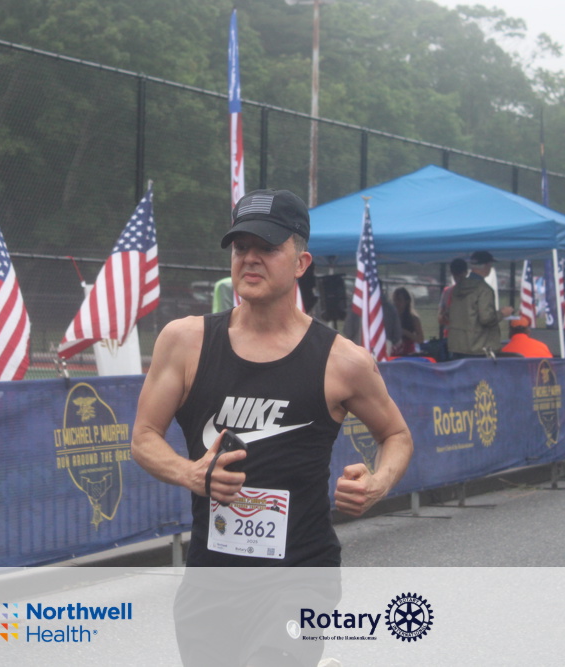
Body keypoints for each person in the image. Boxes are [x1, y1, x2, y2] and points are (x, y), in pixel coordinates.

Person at [131, 188, 413, 664]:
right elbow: (143, 437)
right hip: (212, 577)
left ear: (301, 262)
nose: (250, 258)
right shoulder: (185, 342)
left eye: (267, 247)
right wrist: (189, 472)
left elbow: (397, 435)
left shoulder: (342, 361)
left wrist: (377, 483)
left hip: (301, 576)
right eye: (241, 247)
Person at [446, 250, 514, 358]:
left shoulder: (458, 287)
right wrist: (502, 313)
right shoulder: (484, 289)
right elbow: (486, 318)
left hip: (457, 346)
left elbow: (448, 313)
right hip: (479, 348)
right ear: (487, 265)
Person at [437, 257, 468, 337]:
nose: (458, 279)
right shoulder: (447, 292)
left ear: (466, 273)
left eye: (460, 275)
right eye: (455, 275)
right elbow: (440, 318)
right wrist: (445, 316)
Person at [391, 286, 423, 356]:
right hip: (392, 354)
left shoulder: (413, 318)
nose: (396, 302)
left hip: (408, 354)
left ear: (407, 301)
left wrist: (405, 332)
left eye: (399, 300)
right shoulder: (390, 317)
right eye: (394, 300)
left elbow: (420, 339)